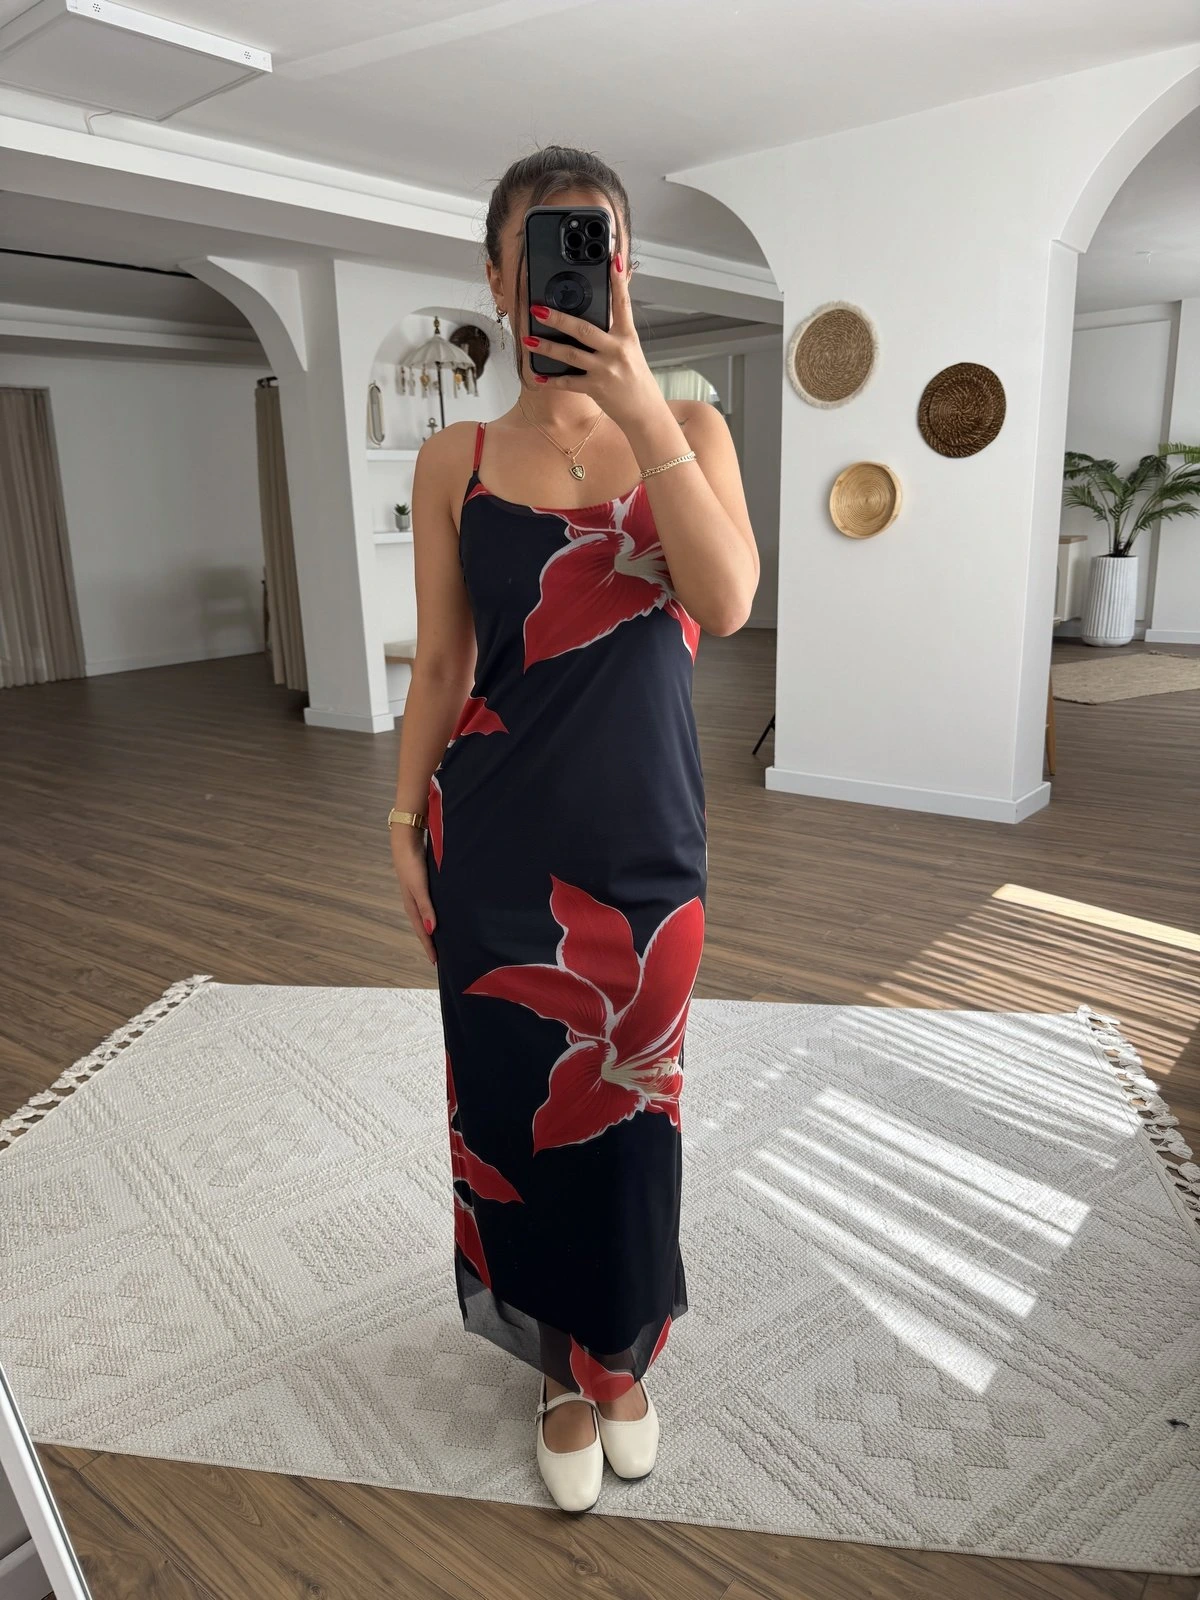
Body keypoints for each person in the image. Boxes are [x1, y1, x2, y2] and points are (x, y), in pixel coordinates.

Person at [389, 145, 759, 1512]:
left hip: (646, 851)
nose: (569, 268)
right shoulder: (457, 459)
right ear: (498, 277)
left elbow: (725, 602)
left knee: (633, 1112)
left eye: (596, 244)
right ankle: (561, 1367)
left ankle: (621, 1357)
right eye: (542, 246)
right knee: (514, 1109)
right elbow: (442, 663)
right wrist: (399, 814)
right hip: (491, 845)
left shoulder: (694, 430)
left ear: (624, 269)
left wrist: (645, 406)